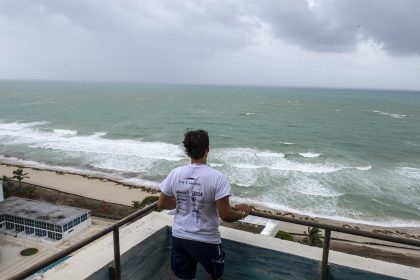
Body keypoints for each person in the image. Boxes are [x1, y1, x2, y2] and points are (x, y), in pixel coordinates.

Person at [158, 129, 253, 280]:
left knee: (183, 277)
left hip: (180, 238)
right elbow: (226, 215)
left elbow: (162, 204)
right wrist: (243, 212)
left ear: (187, 152)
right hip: (206, 240)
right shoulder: (217, 178)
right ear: (208, 149)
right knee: (215, 276)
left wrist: (183, 200)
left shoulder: (175, 173)